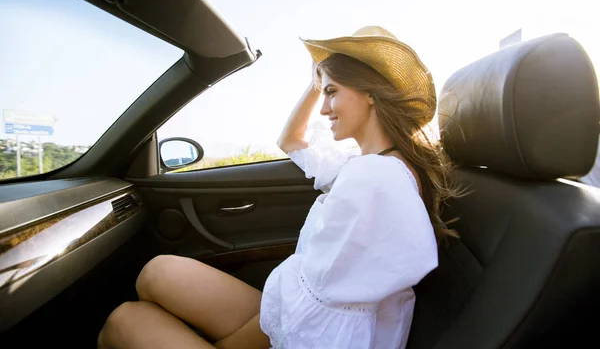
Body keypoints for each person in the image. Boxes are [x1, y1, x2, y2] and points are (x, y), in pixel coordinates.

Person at [97, 26, 462, 349]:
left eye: (332, 92)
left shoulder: (375, 180)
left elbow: (321, 317)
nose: (323, 108)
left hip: (316, 333)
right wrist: (321, 78)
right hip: (303, 310)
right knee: (157, 272)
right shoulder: (365, 168)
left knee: (124, 321)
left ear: (371, 94)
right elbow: (291, 141)